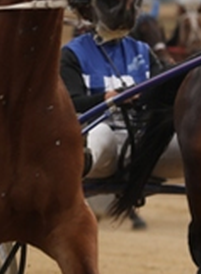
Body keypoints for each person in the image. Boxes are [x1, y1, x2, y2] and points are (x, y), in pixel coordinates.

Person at [60, 29, 171, 230]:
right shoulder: (72, 54)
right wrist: (106, 99)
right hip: (105, 147)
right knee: (102, 134)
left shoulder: (143, 51)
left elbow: (165, 94)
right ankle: (70, 179)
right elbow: (72, 104)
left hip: (146, 151)